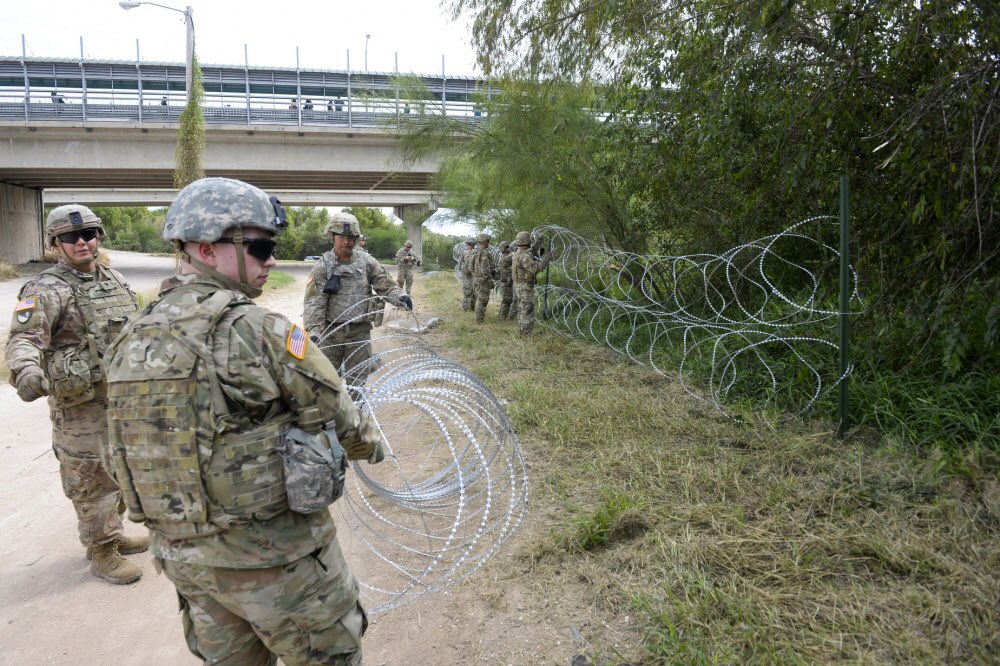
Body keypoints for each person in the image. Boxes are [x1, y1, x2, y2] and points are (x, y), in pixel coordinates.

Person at [104, 177, 384, 664]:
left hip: (186, 564)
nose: (271, 259)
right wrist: (372, 448)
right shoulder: (260, 331)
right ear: (208, 250)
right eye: (259, 246)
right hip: (279, 566)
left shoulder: (131, 336)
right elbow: (348, 424)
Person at [5, 204, 147, 585]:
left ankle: (113, 533)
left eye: (89, 234)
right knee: (89, 476)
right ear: (56, 243)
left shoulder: (113, 278)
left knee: (118, 467)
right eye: (71, 237)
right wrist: (28, 370)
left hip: (119, 395)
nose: (82, 242)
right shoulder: (45, 287)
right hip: (80, 402)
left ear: (98, 237)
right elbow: (23, 338)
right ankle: (102, 551)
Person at [304, 212, 411, 391]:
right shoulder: (322, 266)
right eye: (341, 237)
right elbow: (314, 301)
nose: (346, 241)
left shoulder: (367, 262)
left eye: (350, 237)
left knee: (357, 384)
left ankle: (356, 416)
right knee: (326, 385)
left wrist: (401, 298)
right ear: (332, 236)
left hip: (359, 333)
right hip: (330, 334)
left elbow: (386, 286)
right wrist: (314, 332)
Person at [511, 231, 556, 335]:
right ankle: (526, 333)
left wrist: (539, 241)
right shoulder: (524, 256)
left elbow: (531, 250)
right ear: (528, 241)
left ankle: (522, 330)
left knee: (522, 308)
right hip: (524, 287)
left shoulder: (518, 251)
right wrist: (547, 258)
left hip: (519, 285)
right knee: (527, 310)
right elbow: (536, 268)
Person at [469, 233, 496, 324]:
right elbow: (485, 269)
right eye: (487, 241)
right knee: (482, 300)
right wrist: (489, 280)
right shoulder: (483, 252)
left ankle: (479, 319)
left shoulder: (474, 252)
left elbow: (470, 267)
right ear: (484, 242)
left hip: (476, 279)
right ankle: (479, 320)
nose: (488, 243)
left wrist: (475, 275)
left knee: (479, 299)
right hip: (483, 280)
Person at [496, 240, 516, 320]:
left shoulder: (508, 256)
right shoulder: (505, 257)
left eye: (509, 246)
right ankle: (502, 316)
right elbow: (514, 255)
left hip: (508, 282)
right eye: (507, 246)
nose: (509, 247)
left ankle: (502, 315)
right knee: (507, 300)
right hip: (506, 283)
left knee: (507, 300)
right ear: (503, 249)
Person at [458, 236, 476, 311]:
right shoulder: (474, 252)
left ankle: (468, 308)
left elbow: (460, 263)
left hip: (468, 275)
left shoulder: (464, 252)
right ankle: (468, 308)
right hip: (470, 275)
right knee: (470, 292)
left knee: (469, 292)